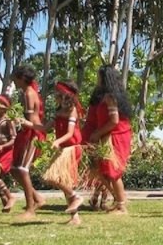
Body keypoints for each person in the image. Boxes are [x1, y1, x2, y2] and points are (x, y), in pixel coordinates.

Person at [85, 64, 133, 215]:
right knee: (105, 172)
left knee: (113, 172)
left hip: (116, 136)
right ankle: (116, 202)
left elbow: (114, 121)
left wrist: (97, 133)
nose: (97, 79)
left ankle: (121, 206)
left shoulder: (110, 97)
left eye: (99, 76)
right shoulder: (108, 96)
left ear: (105, 78)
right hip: (111, 135)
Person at [39, 81, 85, 225]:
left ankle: (75, 196)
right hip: (62, 148)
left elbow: (71, 133)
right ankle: (75, 217)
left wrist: (57, 141)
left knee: (52, 178)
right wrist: (26, 123)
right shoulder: (58, 112)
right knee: (64, 182)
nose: (54, 96)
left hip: (71, 148)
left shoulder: (72, 111)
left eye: (57, 94)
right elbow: (44, 128)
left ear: (64, 96)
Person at [11, 65, 47, 218]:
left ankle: (30, 209)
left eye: (14, 78)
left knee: (22, 170)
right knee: (14, 169)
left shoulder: (28, 94)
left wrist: (22, 122)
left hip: (33, 133)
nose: (13, 81)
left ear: (21, 78)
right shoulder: (28, 92)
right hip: (29, 132)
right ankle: (38, 199)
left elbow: (33, 121)